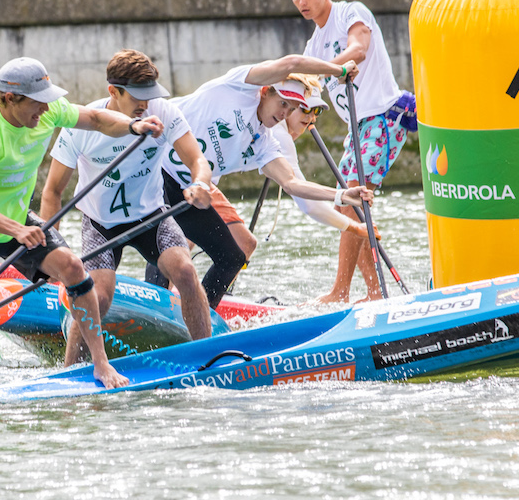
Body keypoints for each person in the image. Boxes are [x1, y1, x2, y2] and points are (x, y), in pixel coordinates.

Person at [0, 57, 165, 389]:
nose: (45, 110)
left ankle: (101, 365)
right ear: (10, 99)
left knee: (73, 269)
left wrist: (133, 126)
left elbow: (97, 118)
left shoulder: (46, 110)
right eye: (37, 104)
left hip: (17, 222)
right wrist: (17, 230)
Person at [145, 54, 375, 309]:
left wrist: (342, 195)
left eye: (291, 108)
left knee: (232, 257)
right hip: (154, 163)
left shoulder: (263, 142)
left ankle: (200, 319)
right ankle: (152, 309)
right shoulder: (240, 87)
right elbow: (293, 64)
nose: (284, 112)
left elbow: (291, 183)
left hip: (187, 188)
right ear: (266, 91)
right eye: (282, 103)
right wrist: (338, 70)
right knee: (168, 245)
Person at [40, 50, 214, 358]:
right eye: (137, 97)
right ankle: (70, 372)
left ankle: (208, 355)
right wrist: (49, 250)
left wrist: (200, 182)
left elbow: (196, 159)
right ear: (113, 92)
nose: (145, 105)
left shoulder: (165, 113)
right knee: (98, 297)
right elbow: (53, 191)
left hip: (151, 216)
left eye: (150, 95)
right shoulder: (82, 126)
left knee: (185, 271)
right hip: (101, 224)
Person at [288, 0, 407, 304]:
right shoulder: (313, 45)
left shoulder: (350, 13)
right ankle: (372, 294)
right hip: (357, 127)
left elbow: (358, 50)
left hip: (385, 115)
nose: (302, 2)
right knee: (351, 208)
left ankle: (342, 292)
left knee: (351, 207)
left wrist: (334, 68)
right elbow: (303, 93)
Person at [267, 75, 374, 244]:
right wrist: (355, 227)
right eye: (306, 109)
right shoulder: (279, 135)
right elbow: (309, 205)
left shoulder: (281, 132)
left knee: (244, 246)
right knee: (242, 247)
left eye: (317, 111)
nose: (312, 118)